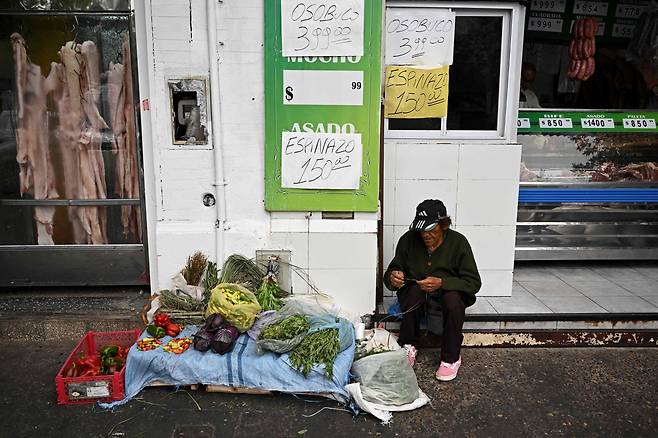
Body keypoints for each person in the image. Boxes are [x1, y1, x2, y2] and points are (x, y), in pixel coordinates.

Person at [383, 199, 481, 382]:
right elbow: (391, 272)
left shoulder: (459, 243)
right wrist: (393, 277)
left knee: (453, 301)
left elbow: (473, 283)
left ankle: (451, 358)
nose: (426, 235)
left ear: (444, 225)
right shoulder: (408, 240)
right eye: (422, 231)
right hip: (418, 294)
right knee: (412, 293)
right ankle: (408, 343)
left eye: (431, 230)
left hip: (447, 292)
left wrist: (443, 283)